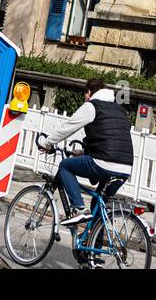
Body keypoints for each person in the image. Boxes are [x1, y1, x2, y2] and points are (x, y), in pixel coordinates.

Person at [39, 79, 133, 226]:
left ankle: (79, 209)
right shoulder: (119, 110)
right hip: (125, 167)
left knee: (65, 166)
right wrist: (84, 151)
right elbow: (110, 138)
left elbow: (67, 127)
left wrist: (46, 143)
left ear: (88, 93)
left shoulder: (92, 106)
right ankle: (93, 244)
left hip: (104, 162)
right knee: (98, 205)